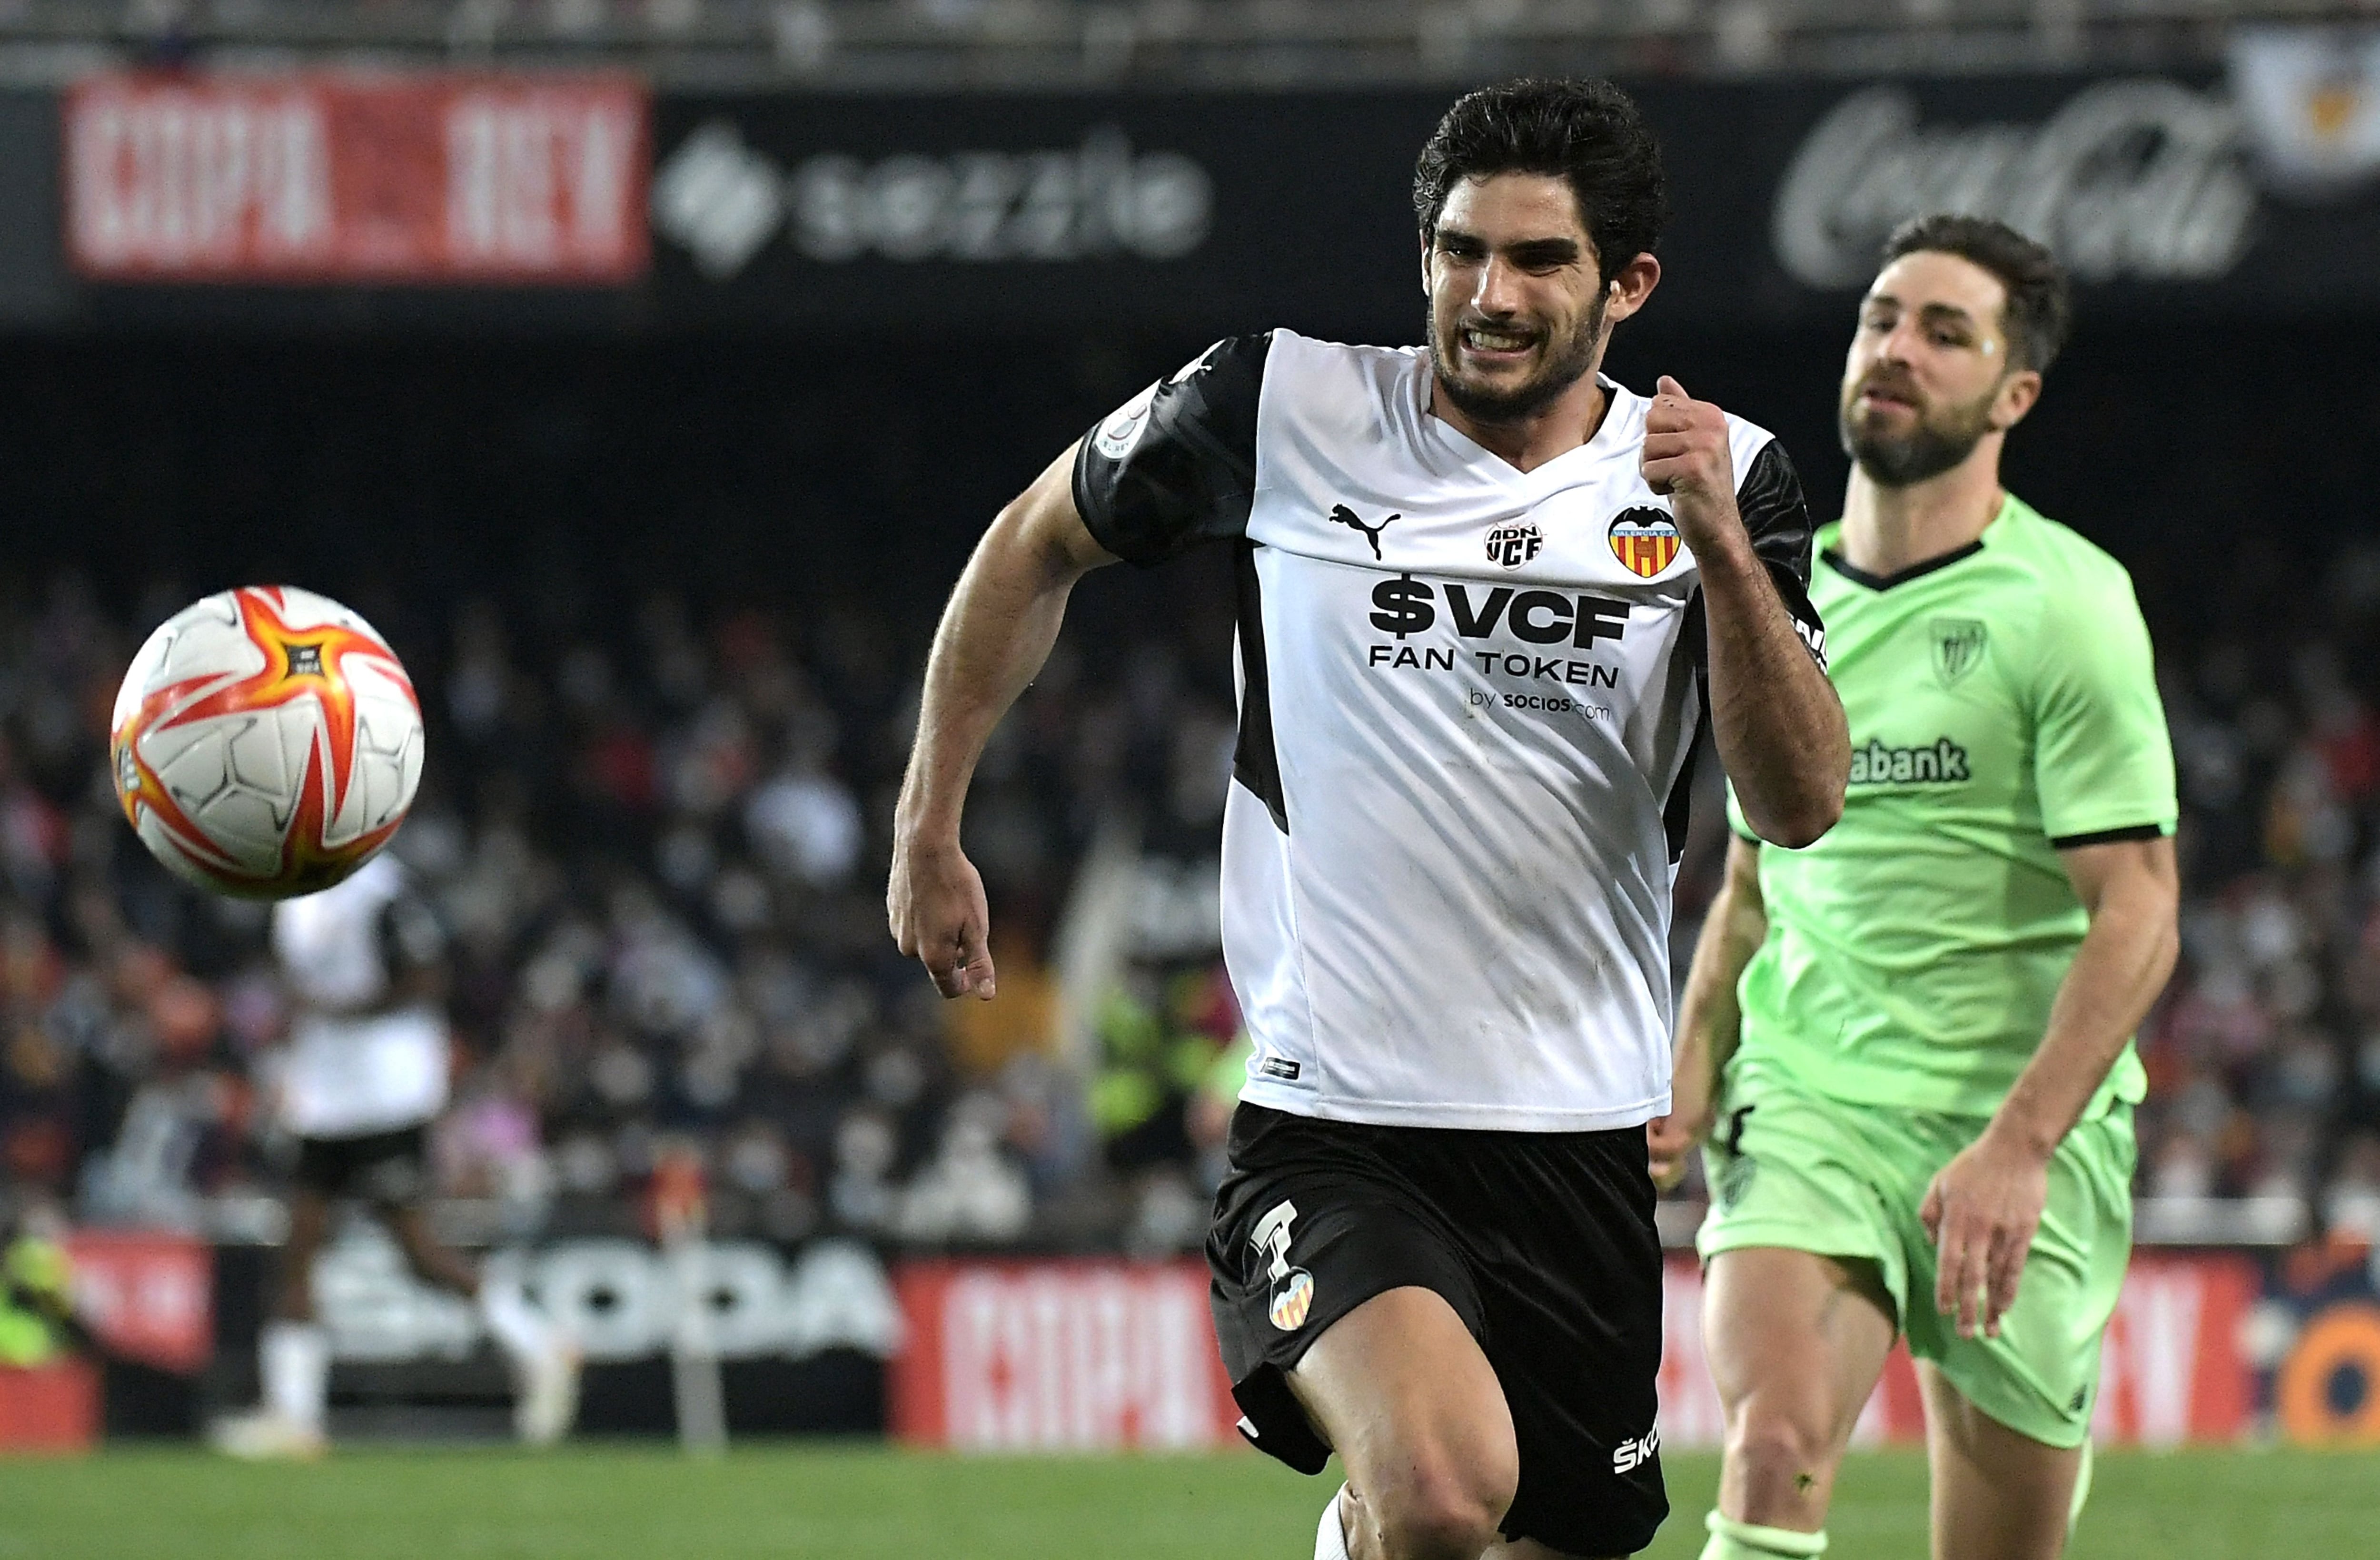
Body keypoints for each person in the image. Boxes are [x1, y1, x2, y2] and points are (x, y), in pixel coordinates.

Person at [891, 78, 1848, 1560]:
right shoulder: (1282, 405)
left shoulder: (1732, 480)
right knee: (1443, 1489)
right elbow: (1034, 541)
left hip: (1576, 1131)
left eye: (1538, 260)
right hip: (1333, 1122)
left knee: (1521, 1532)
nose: (1489, 293)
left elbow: (1799, 803)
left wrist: (1720, 547)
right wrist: (927, 818)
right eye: (1461, 251)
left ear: (1627, 284)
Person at [1648, 215, 2180, 1560]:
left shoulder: (2067, 604)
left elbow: (2140, 906)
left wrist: (2020, 1142)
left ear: (2014, 395)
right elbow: (1757, 876)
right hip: (1813, 1096)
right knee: (1770, 1454)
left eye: (1947, 332)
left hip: (2018, 1131)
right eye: (1884, 315)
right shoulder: (1782, 595)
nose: (1898, 347)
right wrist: (1695, 1048)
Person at [210, 852, 578, 1458]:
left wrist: (335, 1013)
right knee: (303, 1246)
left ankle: (537, 1341)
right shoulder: (295, 895)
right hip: (325, 1095)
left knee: (411, 1247)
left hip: (385, 1092)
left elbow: (427, 978)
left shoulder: (379, 892)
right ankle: (293, 1415)